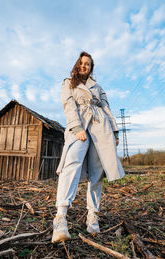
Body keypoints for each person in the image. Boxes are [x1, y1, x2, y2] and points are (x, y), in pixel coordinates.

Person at [52, 51, 125, 243]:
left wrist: (115, 133)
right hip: (80, 124)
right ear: (77, 65)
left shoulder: (98, 87)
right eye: (82, 63)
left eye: (88, 64)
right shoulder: (68, 82)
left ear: (91, 68)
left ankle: (92, 214)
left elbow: (106, 109)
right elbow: (68, 104)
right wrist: (76, 127)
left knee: (97, 171)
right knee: (72, 162)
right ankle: (60, 217)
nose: (85, 66)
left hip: (100, 127)